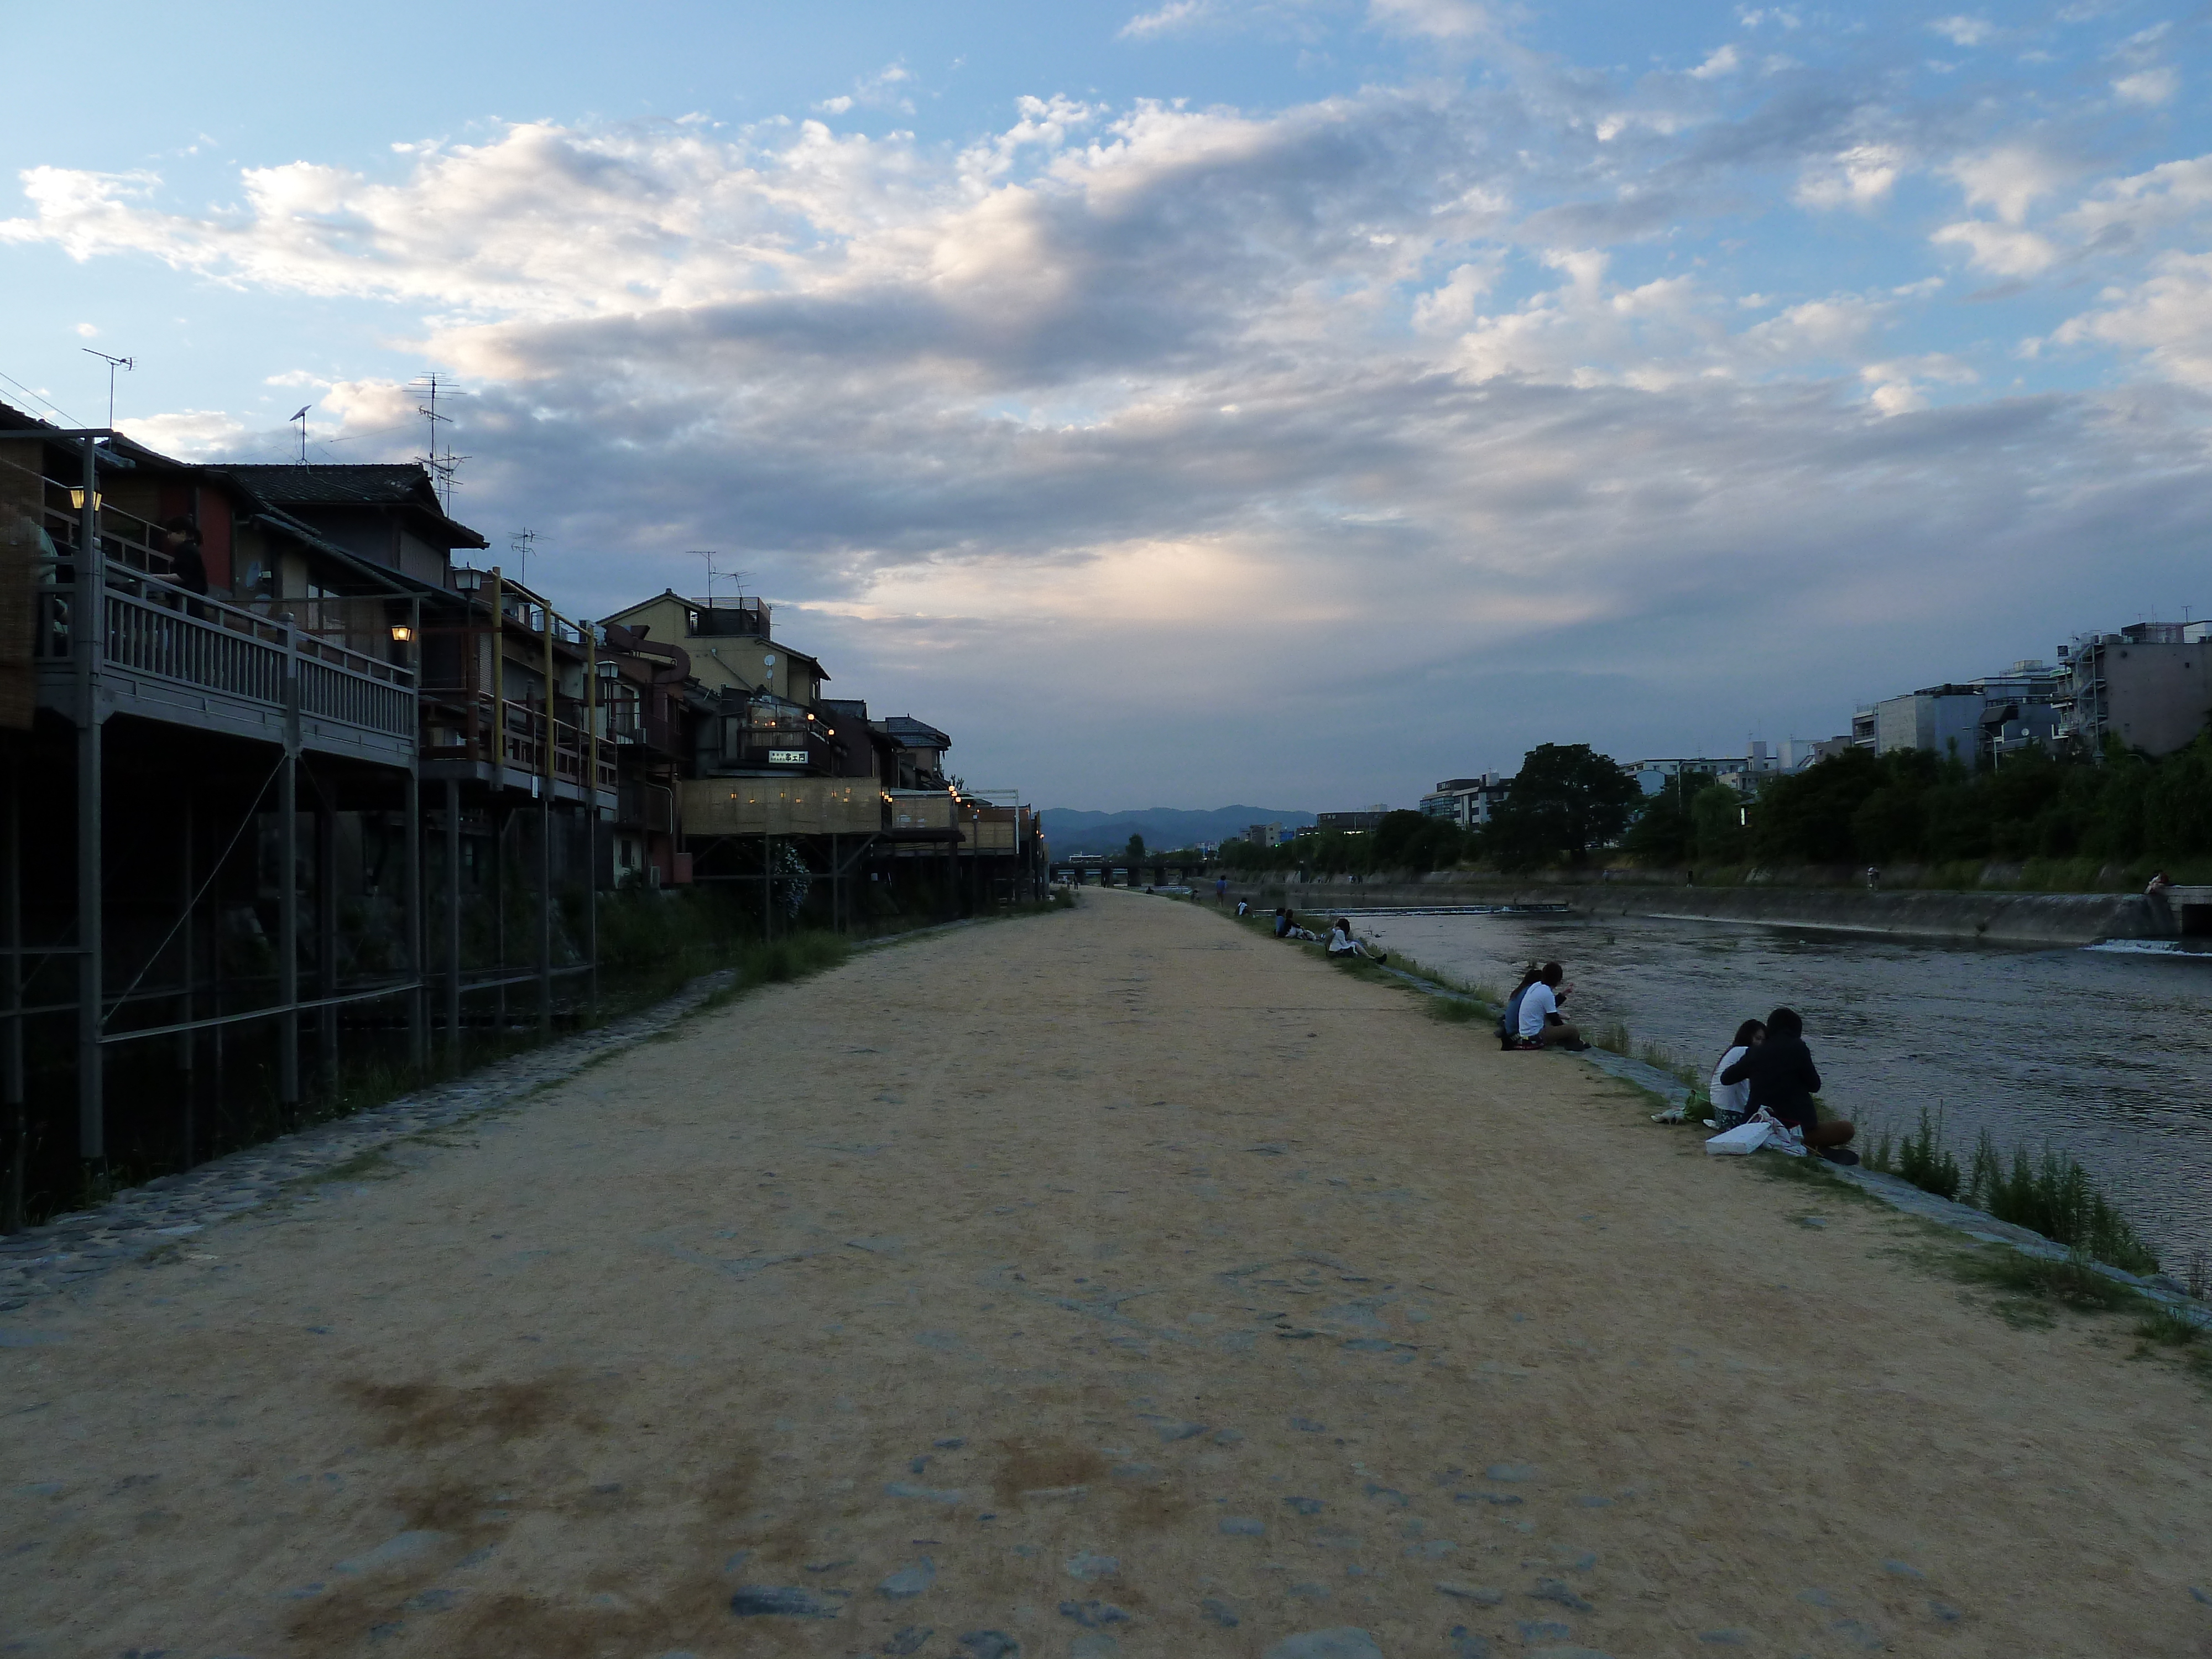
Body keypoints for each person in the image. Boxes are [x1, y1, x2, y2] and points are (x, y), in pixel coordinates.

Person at [1717, 1005, 1856, 1162]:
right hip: (1793, 1126)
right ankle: (1808, 1144)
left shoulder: (1755, 1052)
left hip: (1755, 1126)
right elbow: (1815, 1086)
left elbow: (1726, 1078)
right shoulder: (1798, 1048)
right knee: (1847, 1129)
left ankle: (1807, 1145)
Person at [1706, 1018, 1765, 1128]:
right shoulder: (1745, 1052)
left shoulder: (1733, 1050)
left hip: (1720, 1113)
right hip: (1731, 1115)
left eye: (1763, 1040)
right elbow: (1746, 1096)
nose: (1761, 1043)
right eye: (1758, 1039)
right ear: (1747, 1036)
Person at [1515, 961, 1586, 1050]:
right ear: (1558, 980)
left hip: (1525, 1033)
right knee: (1573, 1030)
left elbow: (1549, 1006)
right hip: (1536, 1035)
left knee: (1561, 1025)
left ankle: (1571, 1042)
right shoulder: (1547, 993)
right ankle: (1576, 1045)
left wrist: (1564, 994)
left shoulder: (1537, 986)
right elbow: (1556, 1021)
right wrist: (1564, 1028)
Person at [159, 514, 209, 598]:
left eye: (170, 533)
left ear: (183, 533)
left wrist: (156, 577)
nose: (168, 537)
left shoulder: (185, 549)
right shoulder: (191, 548)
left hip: (187, 599)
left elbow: (182, 576)